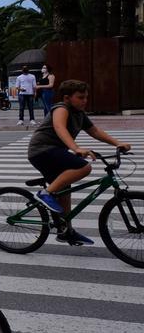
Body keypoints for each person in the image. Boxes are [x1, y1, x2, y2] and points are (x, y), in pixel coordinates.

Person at [29, 80, 132, 245]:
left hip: (56, 152)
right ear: (67, 98)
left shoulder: (80, 114)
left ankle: (66, 230)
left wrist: (117, 143)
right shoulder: (61, 108)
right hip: (42, 150)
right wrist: (76, 148)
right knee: (84, 167)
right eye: (80, 97)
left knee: (64, 192)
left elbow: (95, 131)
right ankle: (45, 194)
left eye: (86, 97)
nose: (85, 100)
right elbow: (59, 127)